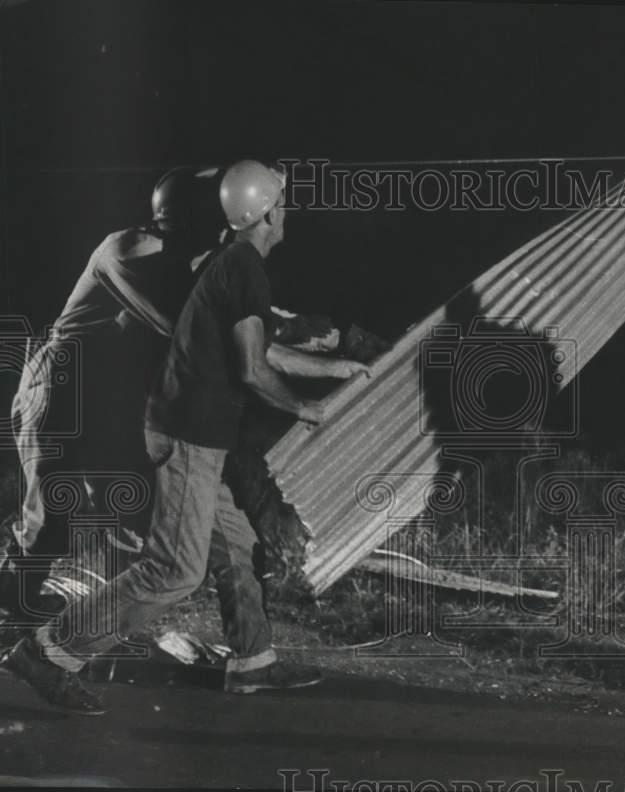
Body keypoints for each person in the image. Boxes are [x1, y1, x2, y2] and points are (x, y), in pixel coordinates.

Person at [3, 160, 371, 714]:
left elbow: (240, 328)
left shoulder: (200, 262)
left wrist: (320, 351)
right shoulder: (128, 252)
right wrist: (298, 344)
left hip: (128, 405)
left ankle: (252, 659)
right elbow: (223, 337)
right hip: (60, 391)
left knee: (230, 537)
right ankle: (33, 640)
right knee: (51, 526)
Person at [1, 168, 224, 633]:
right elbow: (175, 324)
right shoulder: (127, 249)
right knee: (51, 503)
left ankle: (23, 605)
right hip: (60, 376)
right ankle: (12, 611)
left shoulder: (174, 255)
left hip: (94, 388)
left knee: (98, 501)